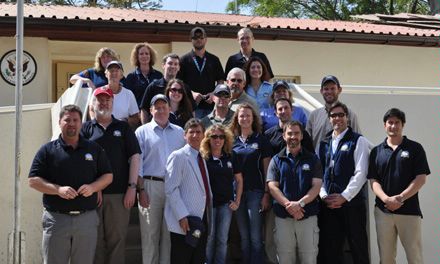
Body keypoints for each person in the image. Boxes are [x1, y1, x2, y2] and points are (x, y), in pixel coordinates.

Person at [28, 104, 113, 264]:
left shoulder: (94, 149)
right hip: (56, 219)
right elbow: (33, 181)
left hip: (86, 220)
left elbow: (108, 176)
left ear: (81, 123)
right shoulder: (47, 151)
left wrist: (93, 187)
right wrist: (58, 190)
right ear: (60, 122)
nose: (72, 123)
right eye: (67, 120)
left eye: (75, 120)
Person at [81, 87, 141, 264]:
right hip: (91, 195)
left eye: (107, 100)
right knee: (95, 241)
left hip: (119, 194)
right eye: (99, 99)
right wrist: (94, 187)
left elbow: (135, 157)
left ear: (113, 103)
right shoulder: (85, 129)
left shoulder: (123, 128)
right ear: (93, 104)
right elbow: (80, 161)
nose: (104, 103)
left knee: (118, 240)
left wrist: (132, 188)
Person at [368, 108, 430, 264]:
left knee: (414, 256)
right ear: (385, 125)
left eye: (397, 122)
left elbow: (421, 178)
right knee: (386, 258)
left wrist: (400, 198)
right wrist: (386, 199)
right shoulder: (376, 151)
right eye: (390, 122)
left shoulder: (415, 148)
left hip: (409, 211)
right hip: (383, 212)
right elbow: (373, 181)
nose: (393, 126)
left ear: (403, 125)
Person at [135, 94, 186, 264]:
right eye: (157, 107)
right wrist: (141, 190)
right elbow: (137, 164)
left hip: (173, 188)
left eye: (164, 107)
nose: (161, 110)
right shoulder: (141, 132)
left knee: (169, 235)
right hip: (150, 186)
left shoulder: (180, 132)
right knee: (150, 234)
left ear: (170, 109)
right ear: (150, 110)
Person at [317, 102, 370, 264]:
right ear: (329, 119)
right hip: (329, 204)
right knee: (330, 249)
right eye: (333, 116)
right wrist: (324, 196)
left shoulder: (358, 140)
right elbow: (318, 173)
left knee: (358, 247)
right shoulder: (324, 143)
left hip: (352, 204)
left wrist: (344, 196)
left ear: (347, 117)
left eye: (341, 115)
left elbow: (361, 173)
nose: (337, 118)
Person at [267, 121, 322, 264]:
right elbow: (272, 186)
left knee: (309, 258)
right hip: (283, 218)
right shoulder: (276, 160)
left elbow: (316, 186)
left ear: (302, 136)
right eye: (289, 133)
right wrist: (289, 206)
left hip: (307, 216)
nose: (293, 136)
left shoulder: (313, 159)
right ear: (284, 136)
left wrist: (300, 204)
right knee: (285, 258)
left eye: (296, 133)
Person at [164, 119, 212, 264]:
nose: (195, 135)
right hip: (184, 222)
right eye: (191, 132)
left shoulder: (202, 158)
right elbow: (171, 188)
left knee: (197, 259)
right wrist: (181, 216)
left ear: (203, 135)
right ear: (185, 135)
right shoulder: (178, 156)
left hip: (201, 219)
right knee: (181, 259)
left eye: (198, 132)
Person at [229, 103, 272, 264]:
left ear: (253, 118)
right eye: (242, 115)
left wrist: (267, 193)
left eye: (248, 115)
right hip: (237, 194)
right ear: (237, 119)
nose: (245, 118)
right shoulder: (231, 141)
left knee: (255, 237)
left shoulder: (261, 140)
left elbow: (267, 168)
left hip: (256, 192)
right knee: (244, 237)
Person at [200, 125, 243, 264]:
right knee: (210, 238)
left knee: (223, 239)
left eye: (221, 137)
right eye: (214, 137)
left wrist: (237, 201)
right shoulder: (203, 157)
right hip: (209, 205)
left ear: (226, 139)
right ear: (208, 139)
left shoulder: (231, 155)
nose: (217, 140)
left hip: (226, 205)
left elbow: (239, 180)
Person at [177, 27, 225, 118]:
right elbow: (179, 83)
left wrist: (214, 94)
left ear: (206, 40)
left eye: (201, 37)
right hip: (191, 107)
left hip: (211, 107)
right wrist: (191, 94)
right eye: (195, 38)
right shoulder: (183, 60)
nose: (198, 40)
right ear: (191, 40)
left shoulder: (214, 59)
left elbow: (220, 81)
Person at [306, 75, 361, 149]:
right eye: (326, 89)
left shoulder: (349, 114)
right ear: (321, 91)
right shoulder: (314, 116)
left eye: (333, 88)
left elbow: (358, 142)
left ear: (339, 90)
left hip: (343, 159)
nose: (329, 92)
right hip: (319, 160)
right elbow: (307, 143)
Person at [139, 53, 195, 124]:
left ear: (179, 67)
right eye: (170, 63)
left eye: (176, 64)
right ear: (163, 65)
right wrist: (146, 129)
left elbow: (192, 111)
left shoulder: (185, 88)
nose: (173, 66)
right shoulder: (153, 86)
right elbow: (144, 110)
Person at [93, 60, 139, 128]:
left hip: (121, 132)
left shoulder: (129, 94)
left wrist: (124, 121)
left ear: (121, 75)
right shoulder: (97, 92)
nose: (114, 73)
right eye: (111, 70)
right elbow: (91, 111)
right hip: (102, 129)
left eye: (117, 71)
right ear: (106, 74)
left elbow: (136, 118)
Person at [125, 42, 163, 107]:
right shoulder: (131, 77)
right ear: (137, 57)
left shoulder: (159, 75)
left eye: (147, 53)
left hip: (156, 112)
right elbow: (128, 99)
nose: (144, 56)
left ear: (150, 56)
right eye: (141, 54)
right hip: (138, 114)